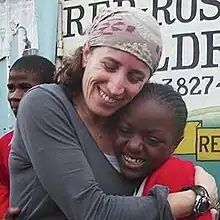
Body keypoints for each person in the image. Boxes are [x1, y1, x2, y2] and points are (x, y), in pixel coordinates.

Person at [9, 7, 217, 220]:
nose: (116, 87)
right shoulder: (46, 104)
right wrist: (194, 199)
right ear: (87, 54)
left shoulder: (123, 123)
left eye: (135, 77)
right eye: (109, 66)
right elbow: (92, 212)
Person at [111, 83, 212, 219]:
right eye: (124, 131)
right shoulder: (90, 167)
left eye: (152, 140)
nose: (134, 146)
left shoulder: (177, 175)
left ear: (176, 144)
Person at [0, 55, 55, 219]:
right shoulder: (4, 145)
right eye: (11, 88)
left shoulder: (68, 138)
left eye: (25, 87)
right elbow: (2, 184)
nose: (14, 96)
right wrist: (6, 211)